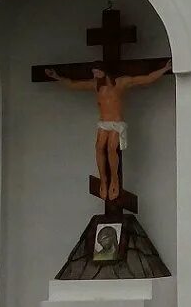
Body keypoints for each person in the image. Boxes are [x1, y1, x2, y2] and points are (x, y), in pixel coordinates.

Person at [47, 58, 172, 200]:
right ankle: (103, 180)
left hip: (116, 123)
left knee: (112, 148)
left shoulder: (120, 83)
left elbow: (146, 79)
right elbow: (73, 84)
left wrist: (164, 69)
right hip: (103, 123)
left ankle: (114, 179)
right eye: (93, 73)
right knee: (99, 147)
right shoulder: (96, 85)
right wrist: (56, 77)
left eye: (97, 72)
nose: (94, 76)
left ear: (104, 71)